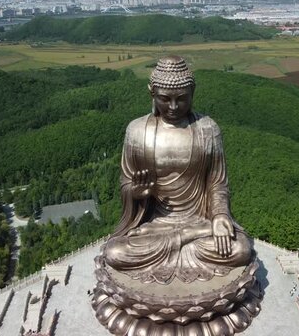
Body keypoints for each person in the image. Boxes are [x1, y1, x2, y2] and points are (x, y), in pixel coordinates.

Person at [103, 56, 253, 284]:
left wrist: (221, 216)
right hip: (156, 226)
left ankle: (187, 238)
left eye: (181, 99)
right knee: (115, 252)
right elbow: (126, 183)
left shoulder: (208, 129)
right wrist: (136, 193)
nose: (173, 107)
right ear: (151, 93)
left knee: (241, 249)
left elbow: (217, 183)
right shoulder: (136, 132)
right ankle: (184, 241)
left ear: (193, 93)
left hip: (198, 223)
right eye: (165, 99)